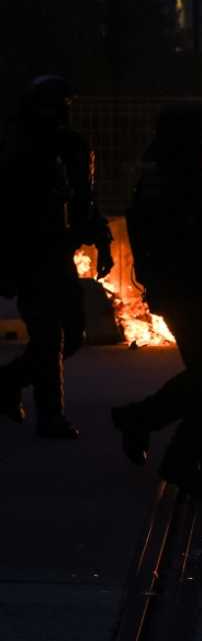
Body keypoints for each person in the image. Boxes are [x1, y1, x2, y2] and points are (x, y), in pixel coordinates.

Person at [111, 102, 202, 495]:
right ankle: (143, 420)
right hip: (185, 286)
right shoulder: (172, 178)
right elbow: (182, 232)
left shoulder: (176, 172)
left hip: (190, 284)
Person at [0, 76, 113, 438]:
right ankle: (51, 417)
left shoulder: (72, 146)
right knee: (48, 338)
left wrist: (103, 242)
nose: (62, 110)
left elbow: (85, 199)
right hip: (30, 256)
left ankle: (7, 383)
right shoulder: (17, 150)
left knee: (72, 337)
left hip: (60, 253)